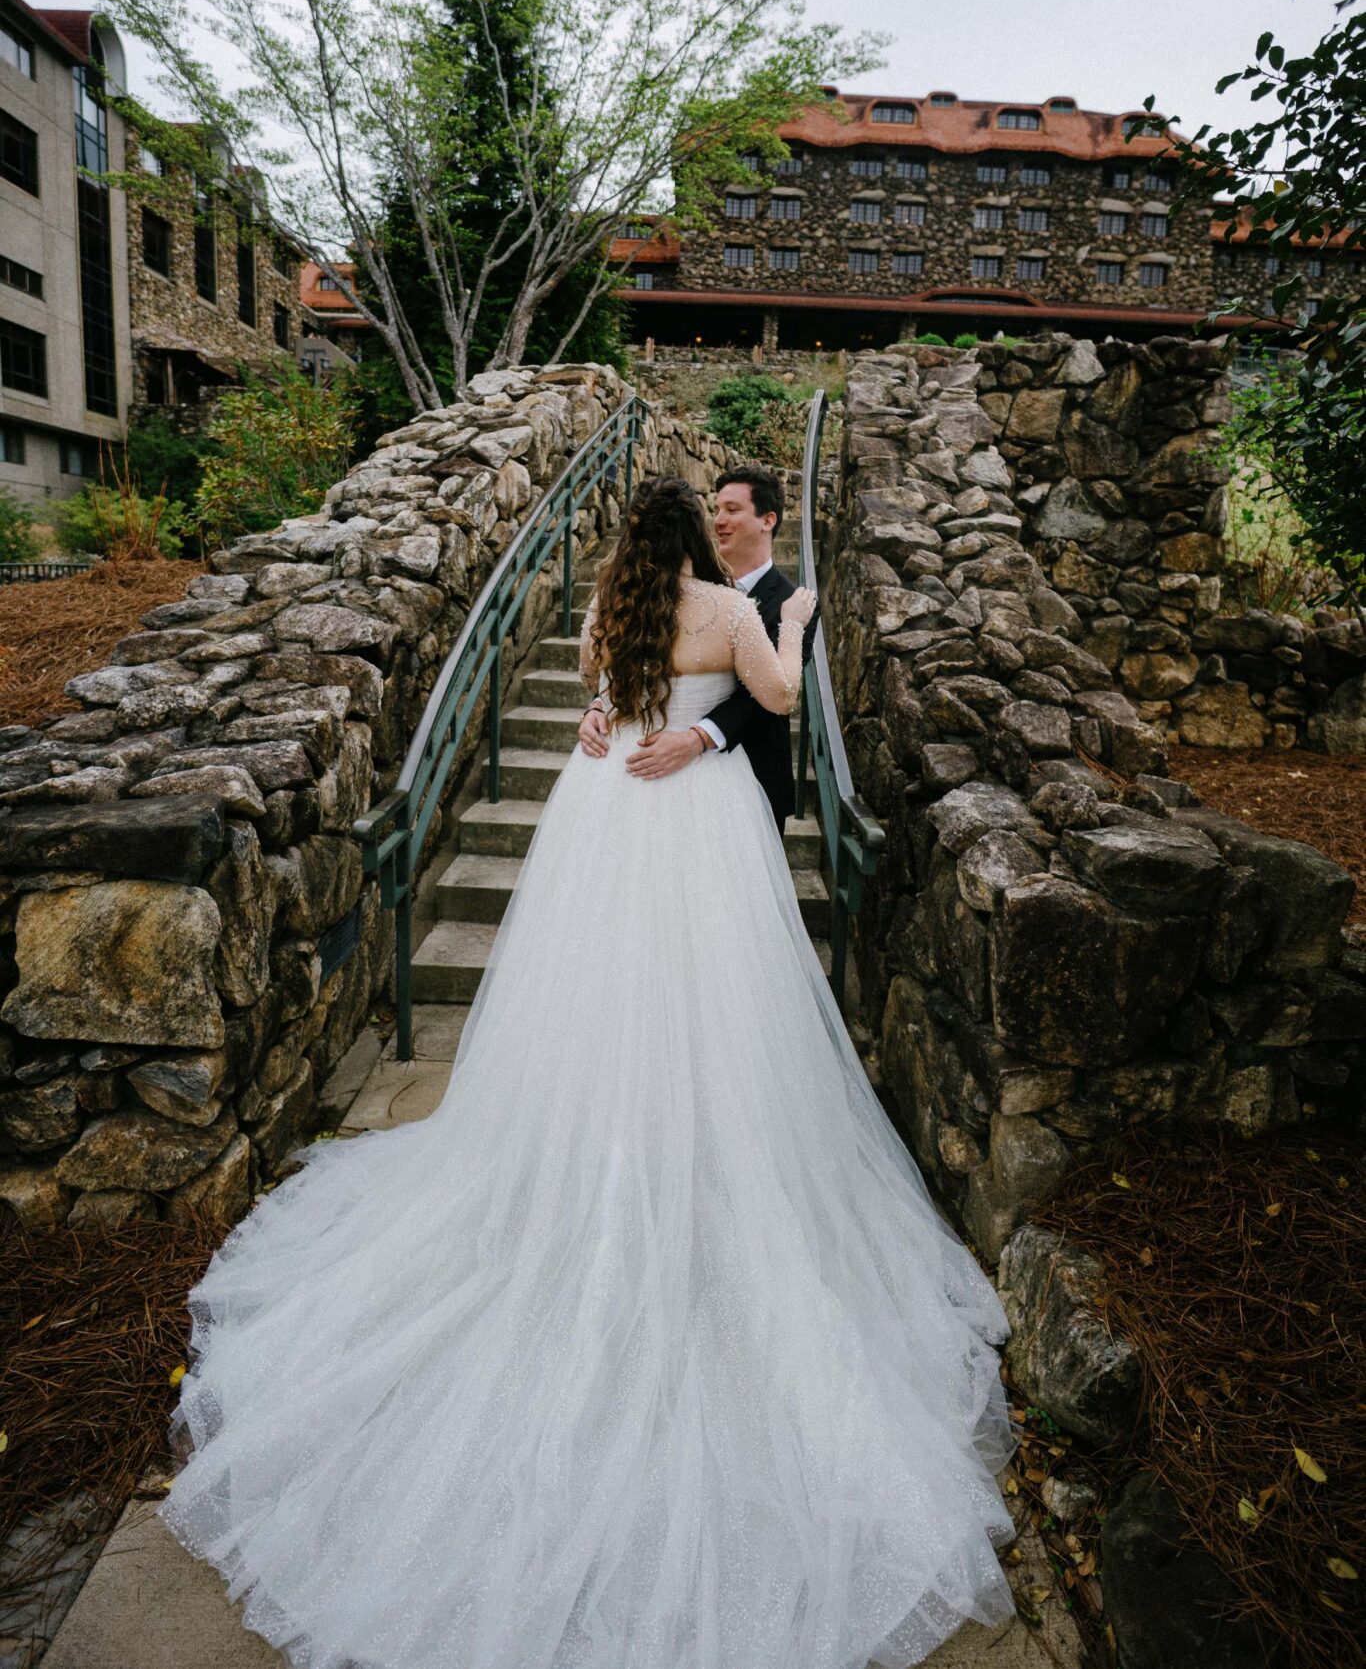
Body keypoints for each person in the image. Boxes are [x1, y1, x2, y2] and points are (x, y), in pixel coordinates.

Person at [156, 475, 1016, 1669]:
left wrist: (614, 725)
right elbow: (773, 697)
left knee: (597, 995)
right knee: (713, 1005)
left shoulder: (609, 600)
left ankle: (585, 1166)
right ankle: (696, 1170)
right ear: (696, 539)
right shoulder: (726, 608)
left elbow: (590, 716)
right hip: (698, 816)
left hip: (607, 815)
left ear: (626, 543)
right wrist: (798, 625)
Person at [577, 464, 815, 833]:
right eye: (715, 510)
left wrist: (697, 738)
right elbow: (614, 672)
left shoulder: (793, 601)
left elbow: (759, 702)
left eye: (731, 510)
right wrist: (598, 704)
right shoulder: (698, 599)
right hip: (637, 765)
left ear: (768, 520)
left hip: (745, 777)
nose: (719, 520)